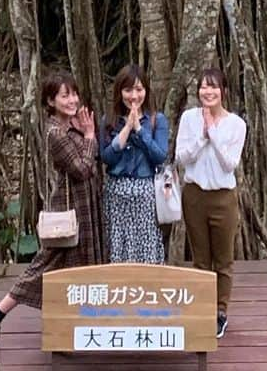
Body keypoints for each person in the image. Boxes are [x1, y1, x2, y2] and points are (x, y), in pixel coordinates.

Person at [0, 70, 102, 348]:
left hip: (86, 209)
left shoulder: (70, 126)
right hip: (69, 213)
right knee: (43, 266)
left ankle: (79, 327)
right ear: (50, 101)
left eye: (74, 93)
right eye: (64, 95)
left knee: (80, 269)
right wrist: (90, 135)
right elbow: (83, 169)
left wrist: (86, 135)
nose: (72, 100)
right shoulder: (55, 133)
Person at [175, 66, 246, 340]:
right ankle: (202, 308)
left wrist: (213, 134)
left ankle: (220, 312)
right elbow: (181, 158)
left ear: (223, 91)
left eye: (213, 86)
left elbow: (230, 164)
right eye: (204, 87)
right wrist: (201, 136)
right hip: (194, 195)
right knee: (200, 259)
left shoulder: (236, 124)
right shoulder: (188, 118)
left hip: (223, 198)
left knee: (223, 259)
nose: (208, 91)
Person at [99, 64, 168, 263]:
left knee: (146, 246)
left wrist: (139, 129)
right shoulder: (109, 120)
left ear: (146, 90)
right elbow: (106, 158)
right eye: (128, 90)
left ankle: (145, 290)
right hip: (116, 193)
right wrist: (126, 128)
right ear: (120, 92)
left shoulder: (157, 120)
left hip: (145, 193)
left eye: (139, 89)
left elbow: (159, 156)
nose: (134, 96)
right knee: (118, 244)